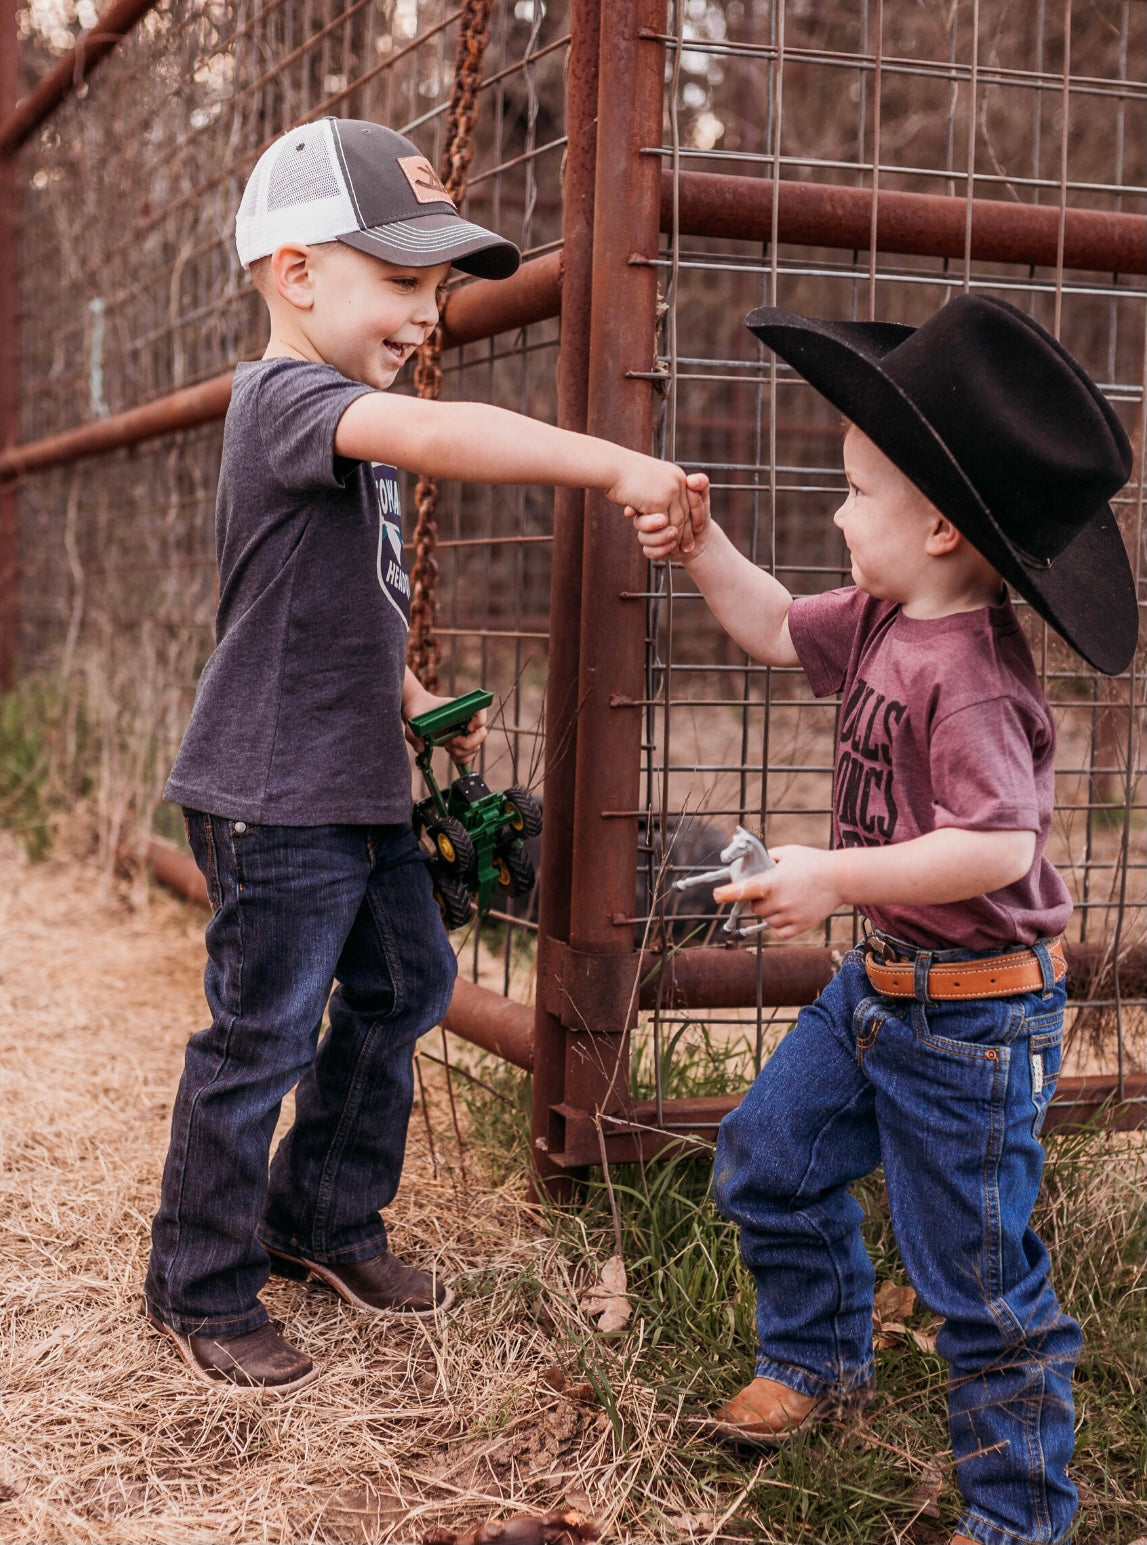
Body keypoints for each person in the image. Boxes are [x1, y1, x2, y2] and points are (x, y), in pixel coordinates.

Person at [143, 117, 695, 1395]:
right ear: (296, 275)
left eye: (437, 290)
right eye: (401, 284)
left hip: (352, 781)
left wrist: (405, 690)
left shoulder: (348, 417)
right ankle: (199, 1280)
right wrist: (612, 463)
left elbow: (320, 599)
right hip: (274, 798)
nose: (425, 316)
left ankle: (322, 1216)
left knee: (405, 984)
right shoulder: (287, 401)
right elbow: (456, 439)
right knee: (262, 1032)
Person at [628, 293, 1137, 1545]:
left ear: (942, 527)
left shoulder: (967, 681)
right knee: (768, 1154)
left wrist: (836, 879)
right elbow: (758, 620)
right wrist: (699, 544)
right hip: (881, 991)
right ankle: (818, 1360)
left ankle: (1019, 1516)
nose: (837, 512)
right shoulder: (875, 619)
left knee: (977, 1283)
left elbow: (998, 845)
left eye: (855, 492)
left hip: (970, 1024)